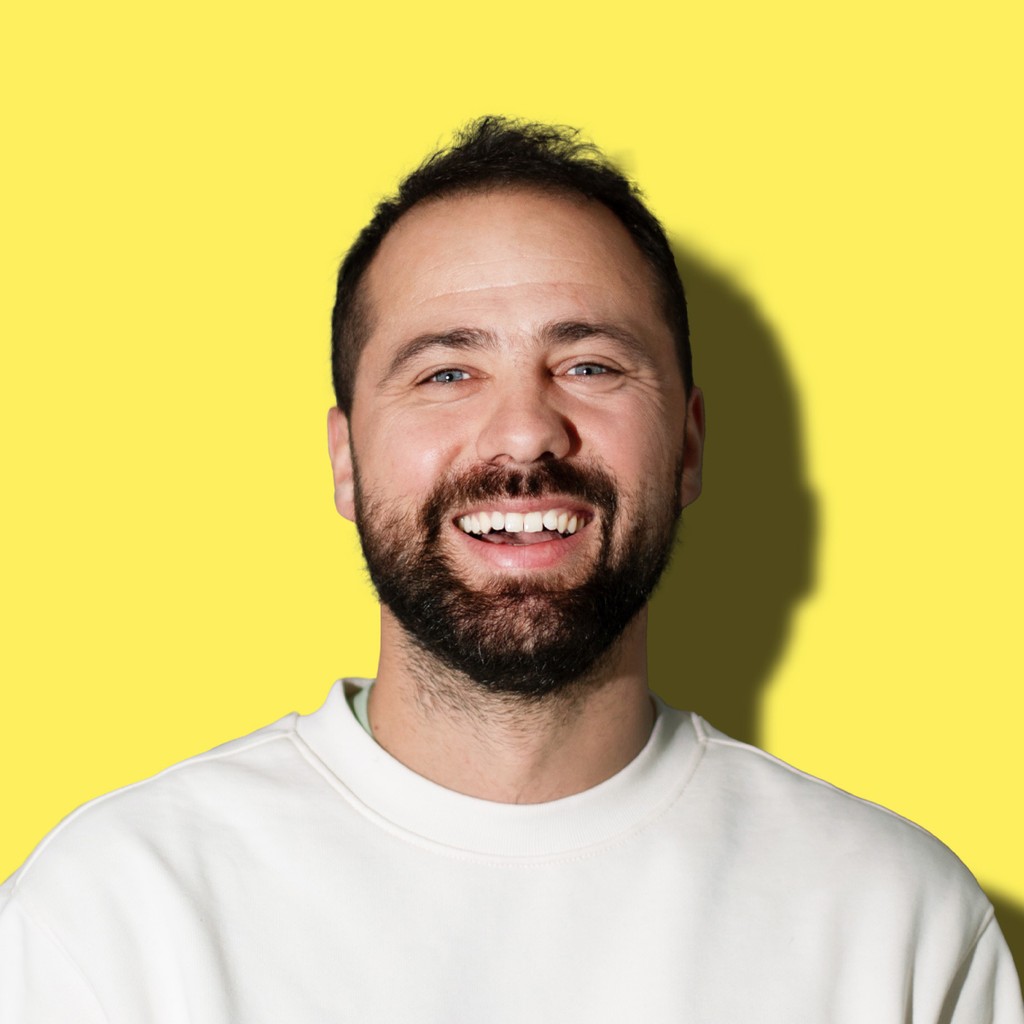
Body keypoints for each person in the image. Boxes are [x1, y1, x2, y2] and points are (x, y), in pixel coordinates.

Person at [1, 117, 1020, 1023]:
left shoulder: (897, 923)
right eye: (447, 370)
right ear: (346, 460)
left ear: (690, 446)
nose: (526, 429)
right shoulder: (113, 915)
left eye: (588, 364)